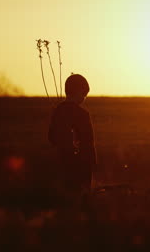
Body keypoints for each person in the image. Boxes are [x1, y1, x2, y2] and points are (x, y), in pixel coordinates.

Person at [48, 74, 97, 203]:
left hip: (61, 163)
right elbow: (88, 142)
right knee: (81, 199)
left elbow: (51, 137)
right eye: (84, 94)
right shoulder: (83, 115)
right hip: (81, 166)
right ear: (79, 92)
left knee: (65, 199)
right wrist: (92, 162)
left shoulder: (58, 111)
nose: (84, 98)